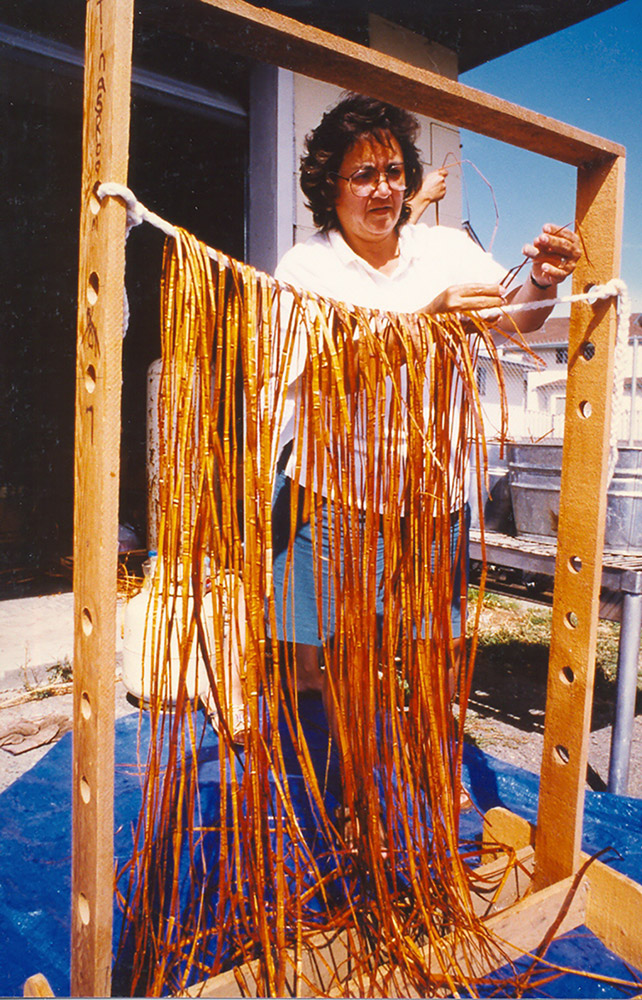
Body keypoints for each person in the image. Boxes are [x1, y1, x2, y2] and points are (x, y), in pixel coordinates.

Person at [271, 92, 580, 707]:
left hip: (431, 497)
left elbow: (514, 319)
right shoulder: (306, 268)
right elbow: (319, 375)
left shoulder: (442, 251)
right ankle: (343, 786)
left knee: (437, 647)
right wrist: (422, 321)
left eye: (393, 173)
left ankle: (432, 779)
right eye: (362, 174)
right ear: (328, 185)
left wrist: (543, 277)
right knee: (323, 663)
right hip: (332, 501)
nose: (382, 190)